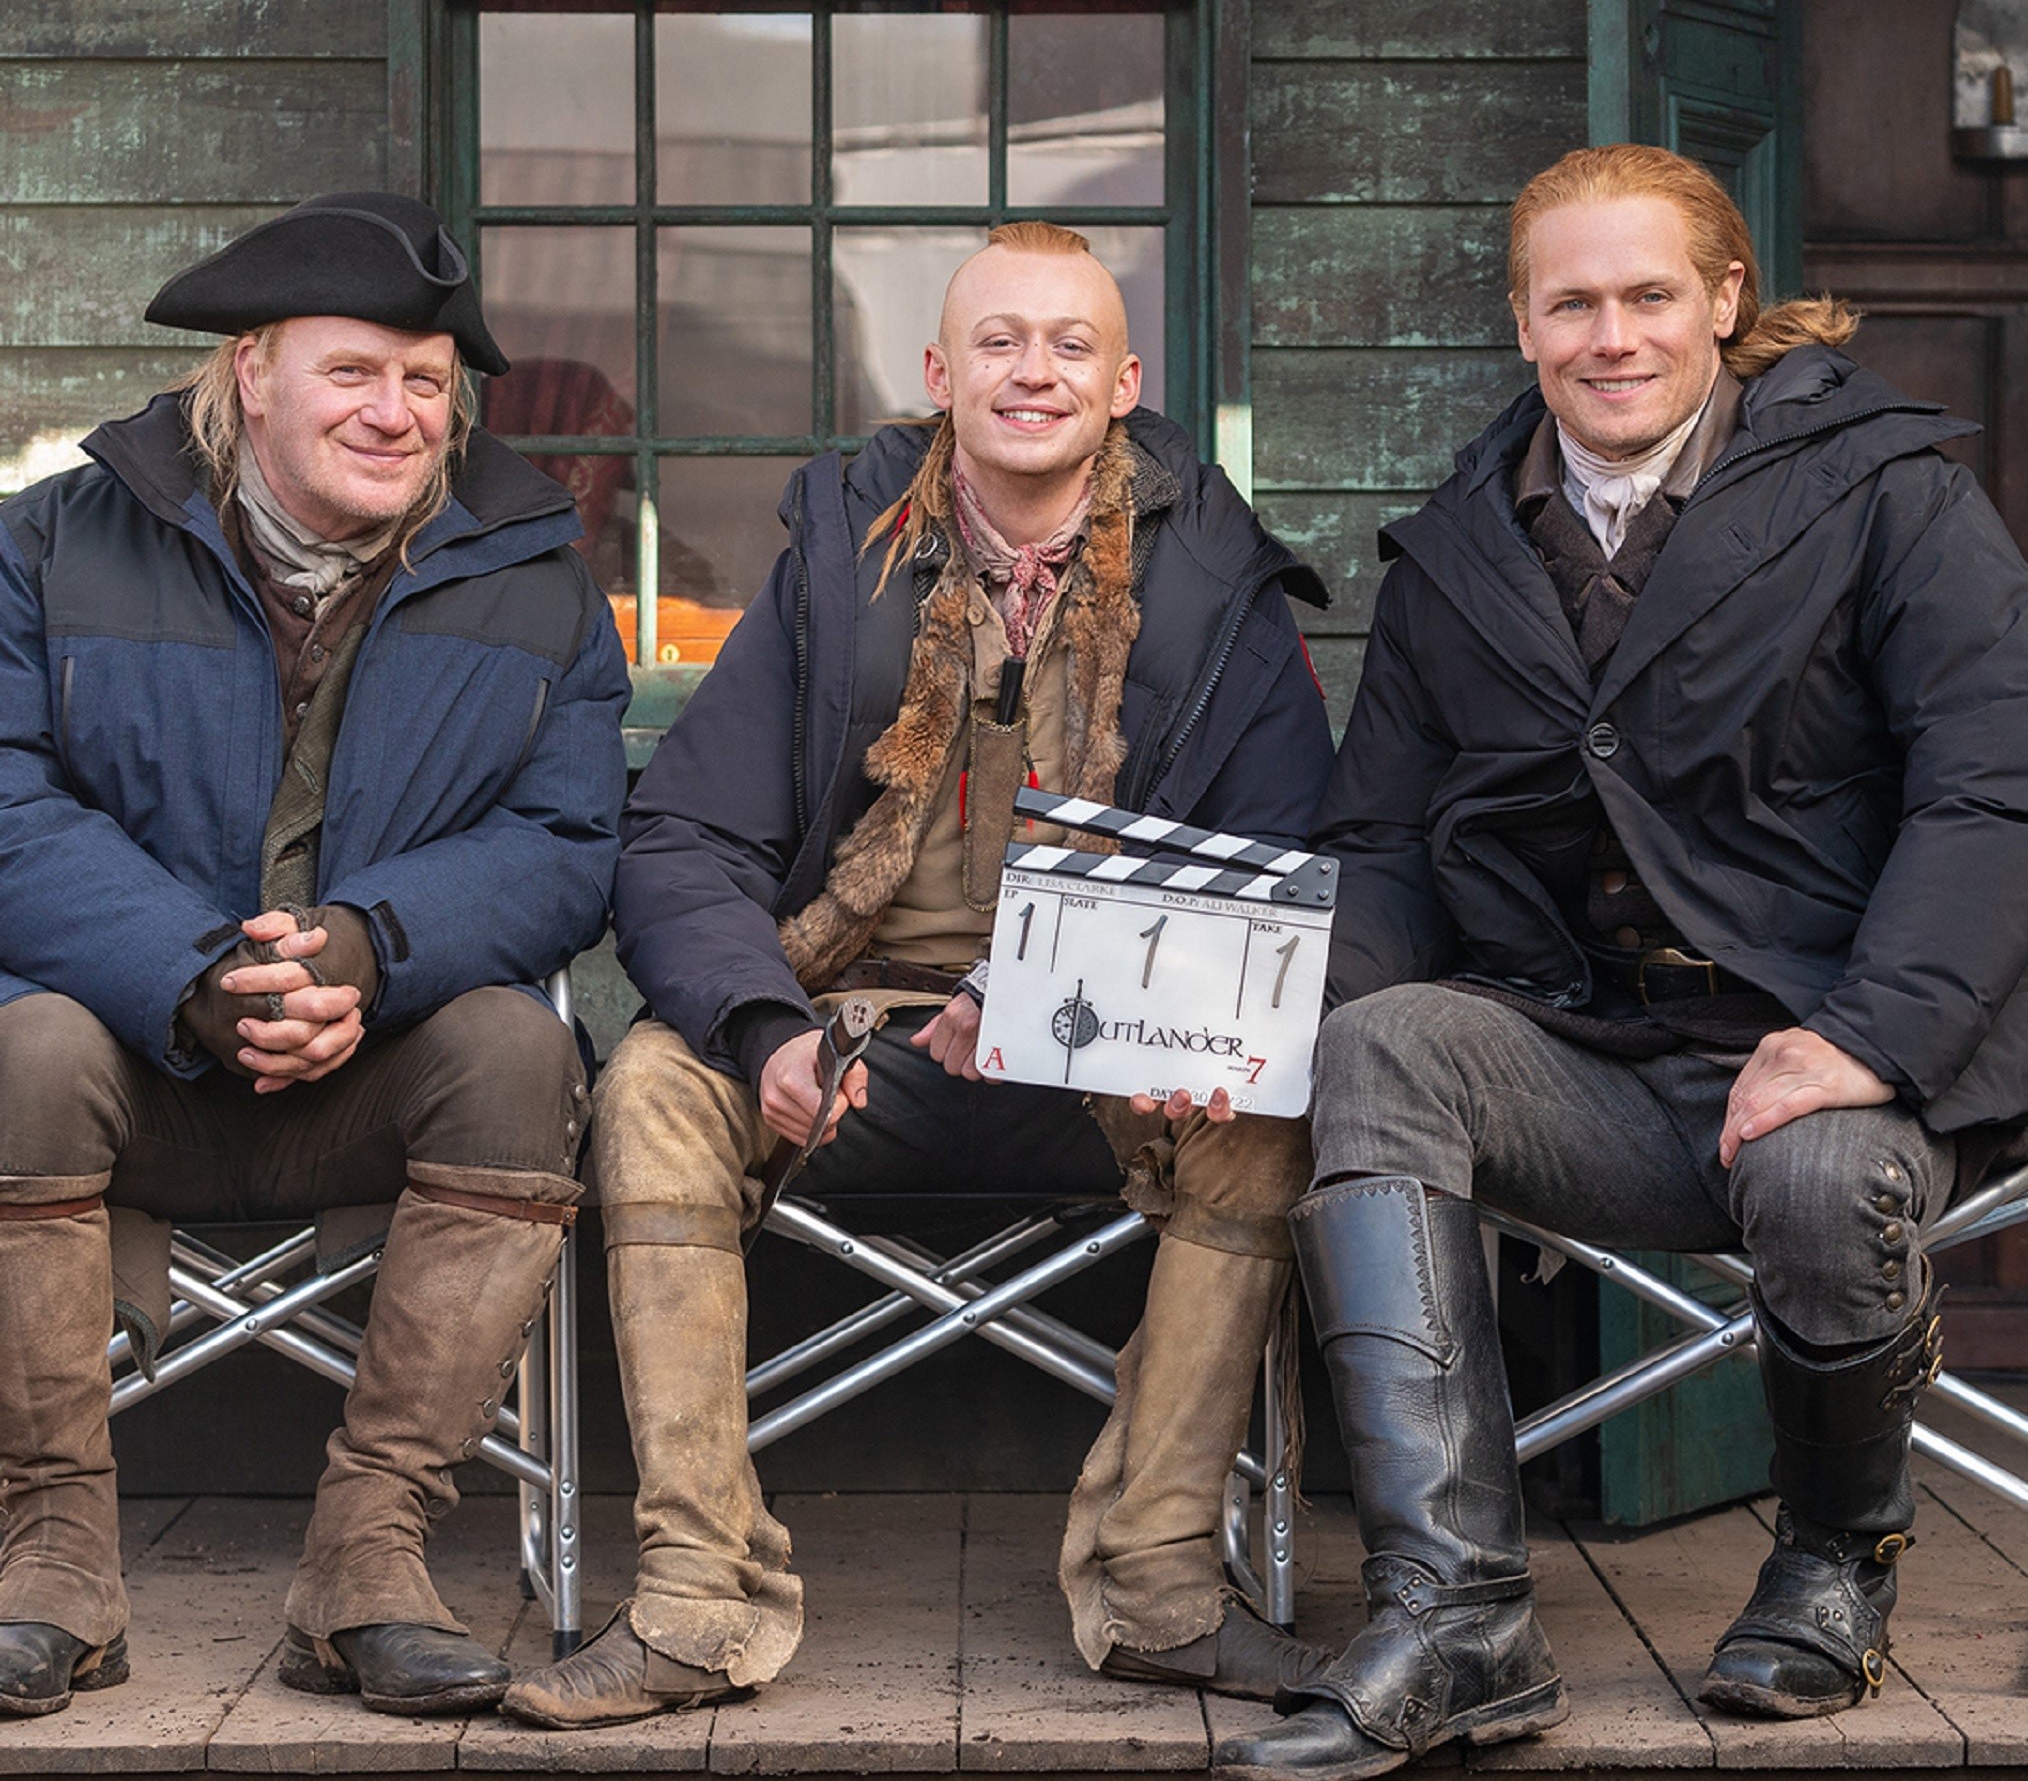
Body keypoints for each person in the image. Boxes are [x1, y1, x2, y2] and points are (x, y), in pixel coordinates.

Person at [1216, 144, 2028, 1781]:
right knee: (1377, 1047)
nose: (1613, 335)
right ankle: (1460, 1619)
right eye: (1570, 301)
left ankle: (1832, 1558)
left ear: (1725, 302)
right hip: (1590, 1046)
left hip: (1857, 1041)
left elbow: (1992, 776)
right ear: (1522, 325)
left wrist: (1867, 1034)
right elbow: (1381, 848)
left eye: (1650, 293)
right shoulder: (1458, 549)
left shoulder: (1885, 489)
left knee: (1814, 1174)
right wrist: (1257, 1028)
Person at [503, 221, 1337, 1728]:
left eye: (1070, 343)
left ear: (1125, 379)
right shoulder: (839, 559)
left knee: (1266, 1120)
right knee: (649, 1085)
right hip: (858, 1035)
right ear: (943, 375)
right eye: (1000, 343)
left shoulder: (1218, 584)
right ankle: (697, 1598)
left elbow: (1285, 859)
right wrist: (762, 1025)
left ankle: (1156, 1585)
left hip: (1100, 1053)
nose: (1035, 370)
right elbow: (684, 830)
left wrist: (1112, 998)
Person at [0, 193, 630, 1720]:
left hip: (376, 1058)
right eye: (356, 372)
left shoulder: (535, 569)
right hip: (128, 1056)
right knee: (17, 1050)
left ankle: (369, 1554)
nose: (398, 411)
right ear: (253, 370)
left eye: (428, 383)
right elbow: (4, 794)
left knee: (521, 1048)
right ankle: (54, 1557)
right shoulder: (52, 541)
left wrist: (365, 948)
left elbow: (568, 841)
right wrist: (196, 974)